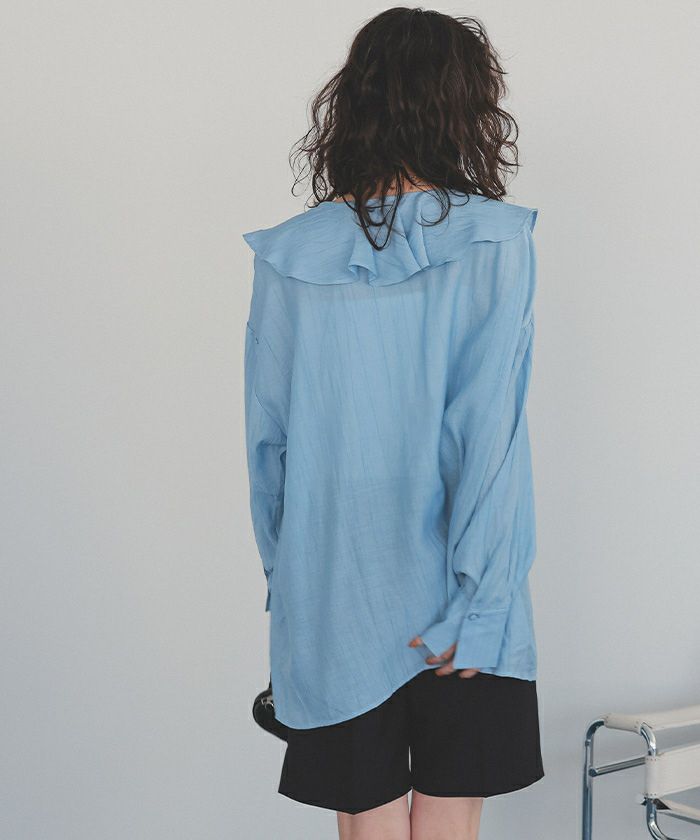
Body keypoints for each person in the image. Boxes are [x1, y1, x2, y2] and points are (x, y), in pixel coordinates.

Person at [241, 7, 544, 839]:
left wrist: (291, 582)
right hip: (459, 583)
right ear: (462, 105)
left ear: (356, 102)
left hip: (333, 580)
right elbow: (488, 432)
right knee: (449, 819)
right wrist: (482, 602)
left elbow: (268, 446)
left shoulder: (291, 254)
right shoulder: (496, 242)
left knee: (365, 824)